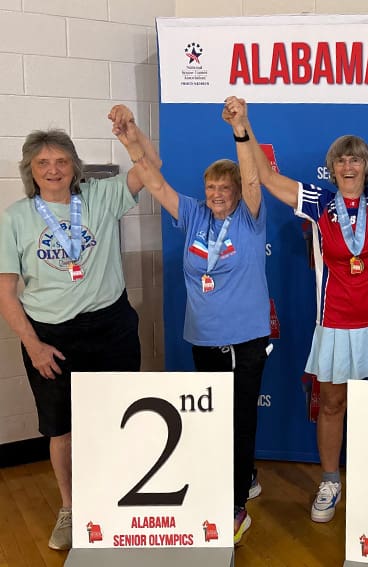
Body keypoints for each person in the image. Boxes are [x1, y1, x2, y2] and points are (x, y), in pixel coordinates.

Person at [231, 97, 368, 524]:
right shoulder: (316, 202)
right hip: (336, 321)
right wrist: (244, 124)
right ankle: (330, 480)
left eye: (357, 160)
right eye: (341, 161)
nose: (349, 166)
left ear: (367, 167)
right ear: (332, 169)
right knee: (332, 404)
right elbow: (266, 176)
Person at [0, 106, 154, 550]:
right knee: (61, 428)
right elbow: (7, 292)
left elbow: (152, 171)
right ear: (30, 170)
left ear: (74, 166)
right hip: (51, 338)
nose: (53, 170)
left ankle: (119, 495)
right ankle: (71, 507)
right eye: (43, 163)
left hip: (110, 327)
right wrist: (33, 345)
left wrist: (130, 133)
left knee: (120, 414)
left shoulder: (102, 196)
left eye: (61, 161)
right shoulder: (15, 217)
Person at [122, 98, 271, 544]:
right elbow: (154, 182)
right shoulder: (192, 215)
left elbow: (251, 175)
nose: (218, 195)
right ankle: (234, 476)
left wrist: (240, 128)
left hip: (245, 340)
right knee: (213, 417)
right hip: (204, 339)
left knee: (241, 419)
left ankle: (237, 503)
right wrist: (132, 142)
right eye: (211, 188)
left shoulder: (250, 217)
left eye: (225, 188)